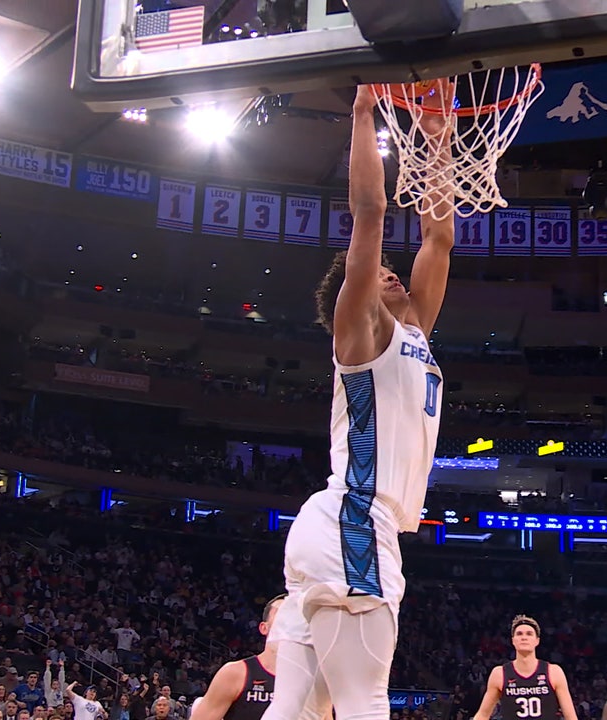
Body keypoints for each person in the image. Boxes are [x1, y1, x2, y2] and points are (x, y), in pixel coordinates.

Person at [262, 83, 455, 720]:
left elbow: (439, 238)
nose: (390, 271)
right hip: (355, 521)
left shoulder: (414, 334)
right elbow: (370, 215)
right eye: (375, 271)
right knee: (366, 701)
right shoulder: (361, 336)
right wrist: (365, 115)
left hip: (344, 526)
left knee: (298, 713)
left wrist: (437, 135)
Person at [191, 595, 329, 720]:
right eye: (283, 613)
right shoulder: (236, 673)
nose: (290, 620)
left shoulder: (316, 682)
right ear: (264, 628)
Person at [473, 616, 579, 720]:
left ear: (537, 641)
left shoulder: (554, 672)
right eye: (519, 634)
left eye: (529, 634)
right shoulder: (499, 674)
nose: (524, 637)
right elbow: (482, 715)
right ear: (513, 640)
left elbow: (571, 717)